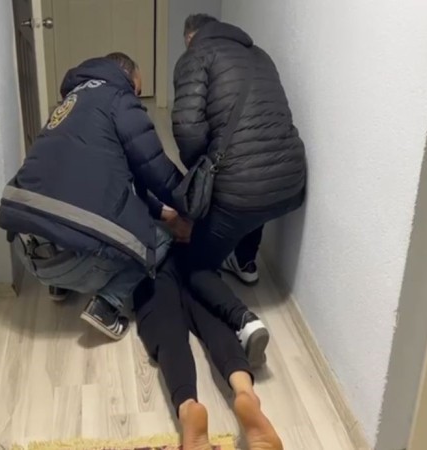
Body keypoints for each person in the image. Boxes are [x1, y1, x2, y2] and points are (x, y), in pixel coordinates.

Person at [0, 52, 189, 340]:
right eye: (137, 90)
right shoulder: (120, 100)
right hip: (75, 262)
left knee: (69, 196)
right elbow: (156, 170)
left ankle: (58, 285)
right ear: (127, 77)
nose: (137, 97)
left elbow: (125, 185)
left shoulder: (69, 104)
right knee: (158, 239)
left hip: (26, 251)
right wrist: (191, 205)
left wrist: (162, 211)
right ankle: (106, 306)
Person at [171, 14, 307, 365]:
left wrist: (201, 168)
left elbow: (187, 129)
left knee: (193, 264)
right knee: (253, 187)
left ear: (190, 37)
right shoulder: (261, 56)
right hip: (291, 179)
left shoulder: (196, 56)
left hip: (242, 191)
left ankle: (244, 322)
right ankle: (246, 261)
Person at [134, 253, 283, 450]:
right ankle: (246, 393)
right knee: (213, 319)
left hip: (151, 265)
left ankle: (188, 408)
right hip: (192, 259)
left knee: (167, 333)